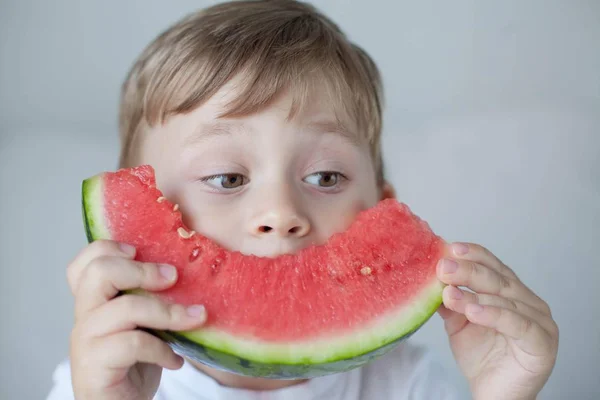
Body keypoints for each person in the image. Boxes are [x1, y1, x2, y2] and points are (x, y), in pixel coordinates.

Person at [46, 1, 559, 399]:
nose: (281, 213)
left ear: (379, 210)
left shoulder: (406, 384)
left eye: (326, 176)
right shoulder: (100, 380)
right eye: (226, 178)